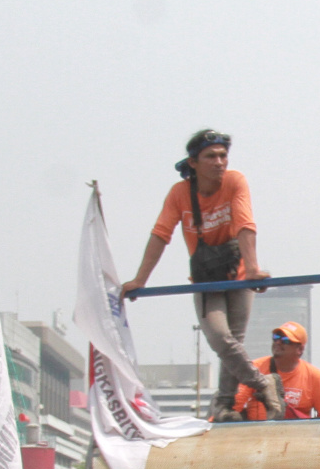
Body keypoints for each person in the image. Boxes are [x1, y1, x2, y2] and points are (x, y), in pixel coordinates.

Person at [116, 130, 274, 421]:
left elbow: (244, 223)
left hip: (238, 274)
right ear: (193, 163)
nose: (219, 162)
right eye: (210, 156)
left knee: (234, 340)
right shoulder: (180, 194)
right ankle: (262, 383)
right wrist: (140, 280)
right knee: (219, 336)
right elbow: (161, 234)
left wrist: (252, 268)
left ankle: (225, 405)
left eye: (223, 155)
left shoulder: (235, 181)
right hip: (206, 278)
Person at [221, 322, 320, 421]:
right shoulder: (255, 369)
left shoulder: (316, 378)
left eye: (285, 340)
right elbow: (234, 406)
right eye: (276, 337)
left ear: (300, 350)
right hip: (258, 435)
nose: (278, 342)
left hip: (295, 439)